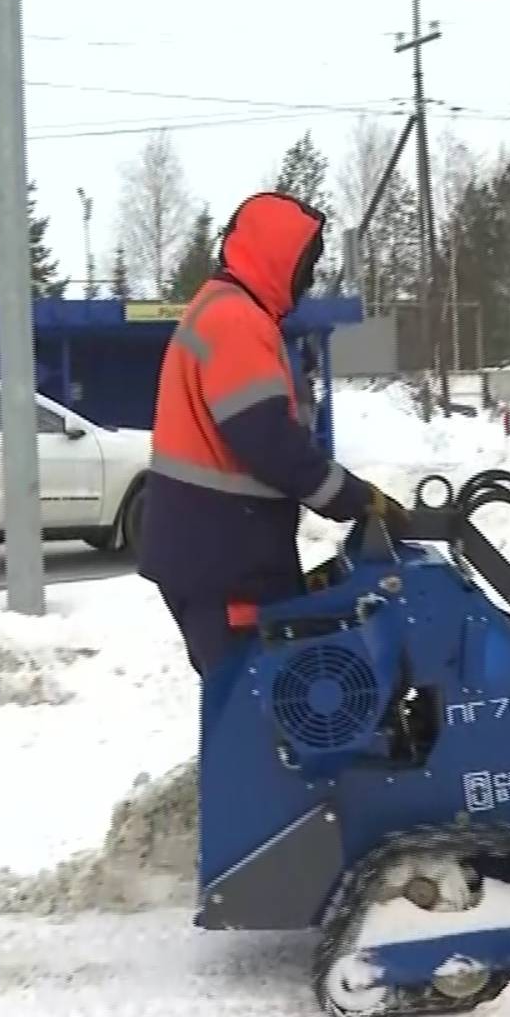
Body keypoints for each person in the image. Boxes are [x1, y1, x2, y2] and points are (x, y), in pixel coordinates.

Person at [139, 189, 398, 676]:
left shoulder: (224, 309)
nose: (309, 280)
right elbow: (267, 441)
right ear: (279, 257)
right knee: (264, 708)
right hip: (223, 559)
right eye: (305, 265)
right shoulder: (236, 320)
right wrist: (354, 500)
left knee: (258, 706)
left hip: (213, 551)